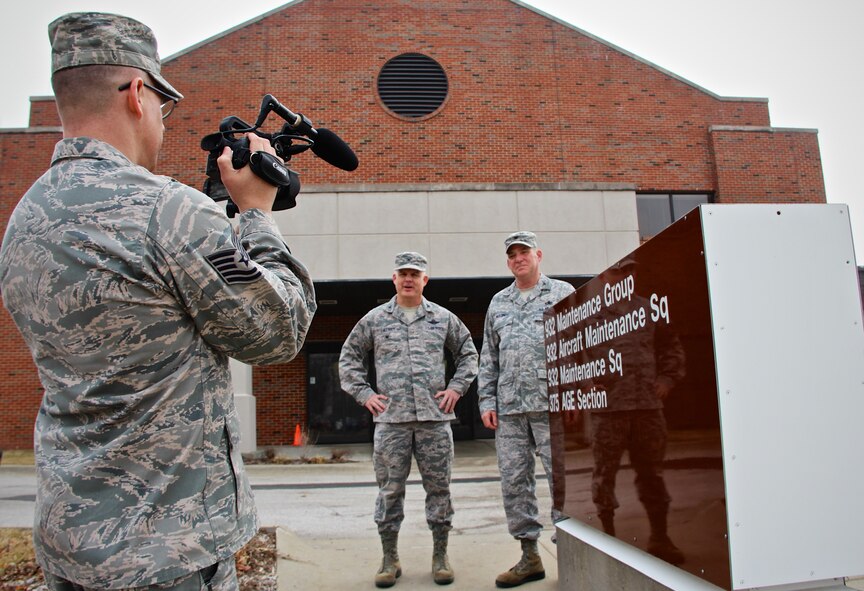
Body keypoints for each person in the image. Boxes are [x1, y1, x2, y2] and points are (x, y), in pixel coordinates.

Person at [0, 12, 316, 591]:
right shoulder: (166, 211)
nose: (162, 124)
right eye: (163, 108)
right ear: (138, 93)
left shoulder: (23, 221)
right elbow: (278, 333)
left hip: (71, 542)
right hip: (167, 551)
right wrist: (256, 215)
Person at [339, 252, 478, 588]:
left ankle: (441, 555)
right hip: (391, 422)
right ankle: (389, 558)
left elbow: (468, 354)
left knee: (440, 491)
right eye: (403, 273)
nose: (409, 279)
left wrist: (456, 389)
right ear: (394, 279)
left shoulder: (443, 319)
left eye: (415, 274)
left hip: (434, 420)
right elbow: (349, 359)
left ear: (425, 280)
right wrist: (364, 394)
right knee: (389, 492)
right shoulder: (374, 320)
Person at [478, 231, 575, 588]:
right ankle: (529, 557)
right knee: (515, 483)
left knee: (563, 483)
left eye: (524, 252)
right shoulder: (498, 302)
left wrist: (577, 397)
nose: (518, 258)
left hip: (554, 408)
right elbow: (489, 356)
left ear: (538, 255)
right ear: (508, 261)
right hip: (510, 412)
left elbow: (581, 350)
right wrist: (487, 401)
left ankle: (570, 552)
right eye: (512, 254)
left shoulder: (562, 294)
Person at [588, 259, 686, 564]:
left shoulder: (648, 310)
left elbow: (671, 346)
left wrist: (667, 378)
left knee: (653, 475)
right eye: (618, 270)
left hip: (646, 408)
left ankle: (660, 537)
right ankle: (608, 541)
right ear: (604, 276)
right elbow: (572, 358)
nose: (624, 275)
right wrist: (585, 385)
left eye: (629, 270)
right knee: (605, 477)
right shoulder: (591, 316)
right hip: (609, 411)